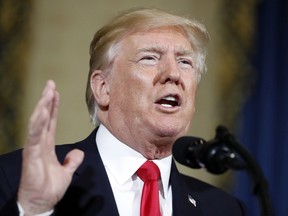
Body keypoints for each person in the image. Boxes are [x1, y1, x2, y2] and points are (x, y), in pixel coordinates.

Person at [0, 7, 245, 216]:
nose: (173, 74)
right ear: (103, 87)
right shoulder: (17, 178)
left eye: (185, 62)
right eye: (149, 58)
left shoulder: (223, 208)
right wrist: (34, 209)